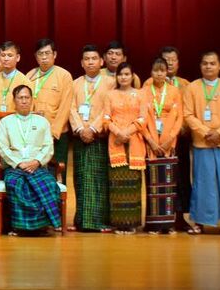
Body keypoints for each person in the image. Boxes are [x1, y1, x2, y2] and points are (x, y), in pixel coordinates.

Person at [183, 51, 220, 235]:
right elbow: (188, 114)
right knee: (202, 182)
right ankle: (199, 221)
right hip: (202, 142)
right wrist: (206, 132)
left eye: (212, 63)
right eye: (205, 63)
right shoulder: (192, 87)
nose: (208, 66)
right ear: (200, 66)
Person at [0, 84, 61, 236]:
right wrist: (19, 163)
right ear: (14, 101)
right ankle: (21, 226)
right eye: (20, 98)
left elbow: (48, 147)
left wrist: (37, 162)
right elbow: (3, 148)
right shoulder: (6, 122)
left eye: (27, 97)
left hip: (37, 166)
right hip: (15, 167)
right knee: (16, 183)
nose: (24, 101)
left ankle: (41, 225)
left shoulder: (42, 122)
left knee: (49, 184)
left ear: (32, 100)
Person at [68, 45, 112, 232]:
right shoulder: (75, 83)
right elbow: (70, 107)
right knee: (80, 179)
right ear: (82, 63)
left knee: (99, 179)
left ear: (101, 61)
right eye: (87, 59)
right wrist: (80, 128)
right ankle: (81, 220)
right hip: (80, 136)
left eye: (94, 58)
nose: (91, 62)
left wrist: (93, 128)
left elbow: (108, 109)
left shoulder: (110, 82)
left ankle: (100, 221)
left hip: (99, 136)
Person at [102, 63, 147, 234]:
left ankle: (132, 223)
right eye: (121, 74)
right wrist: (118, 133)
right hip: (116, 142)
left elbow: (143, 119)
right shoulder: (110, 95)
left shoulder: (141, 94)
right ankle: (118, 223)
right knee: (117, 185)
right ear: (117, 77)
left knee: (133, 185)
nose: (123, 77)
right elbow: (106, 118)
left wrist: (127, 132)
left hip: (134, 142)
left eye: (127, 74)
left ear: (132, 75)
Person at [142, 58, 184, 234]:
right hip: (150, 143)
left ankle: (168, 224)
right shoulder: (144, 91)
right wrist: (151, 141)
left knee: (168, 186)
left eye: (162, 70)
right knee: (152, 186)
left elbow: (179, 118)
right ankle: (153, 225)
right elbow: (141, 118)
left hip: (169, 144)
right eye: (156, 70)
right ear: (151, 72)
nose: (159, 73)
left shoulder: (174, 91)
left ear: (167, 72)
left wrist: (169, 140)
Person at [26, 39, 76, 163]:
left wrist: (53, 133)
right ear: (35, 56)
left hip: (56, 134)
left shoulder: (64, 76)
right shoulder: (29, 76)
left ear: (54, 55)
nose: (44, 57)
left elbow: (65, 107)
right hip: (33, 133)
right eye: (40, 54)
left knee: (57, 171)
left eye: (47, 53)